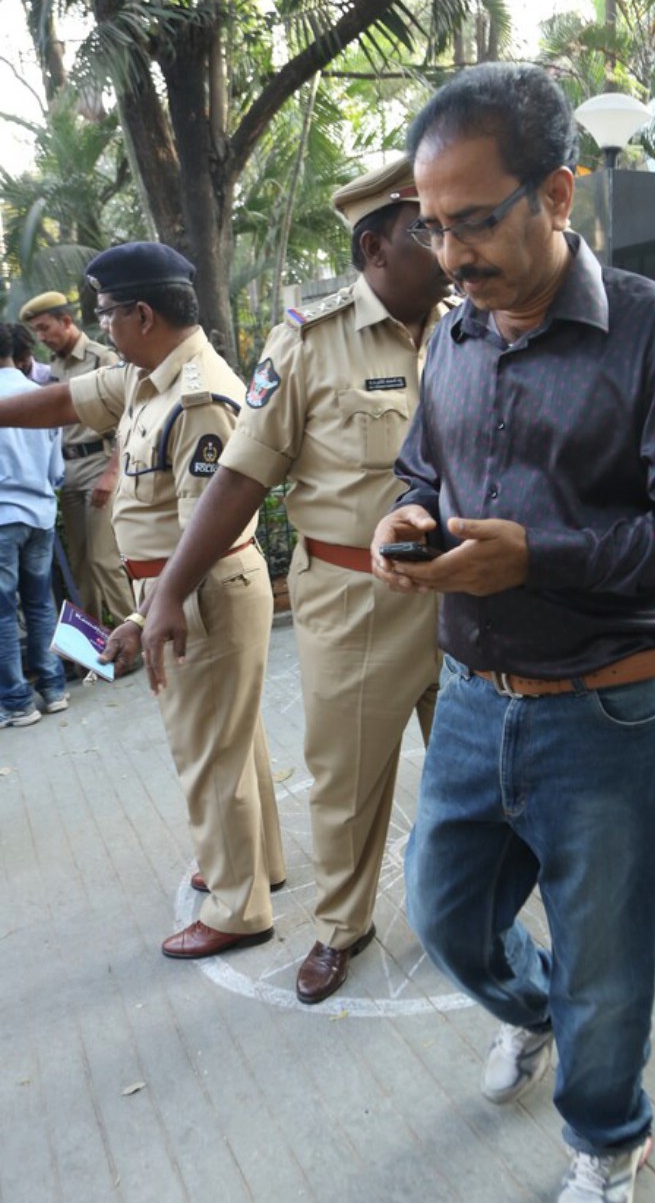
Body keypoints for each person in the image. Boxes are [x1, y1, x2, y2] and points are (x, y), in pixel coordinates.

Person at [371, 63, 655, 1203]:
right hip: (475, 698)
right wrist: (406, 520)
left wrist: (537, 556)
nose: (451, 254)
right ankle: (539, 1016)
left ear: (557, 194)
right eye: (433, 228)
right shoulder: (457, 339)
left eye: (474, 220)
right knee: (444, 912)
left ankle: (607, 1129)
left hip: (607, 708)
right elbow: (423, 472)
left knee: (607, 955)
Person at [141, 158, 453, 1003]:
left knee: (477, 771)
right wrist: (170, 588)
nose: (447, 242)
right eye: (425, 228)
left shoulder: (474, 324)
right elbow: (242, 475)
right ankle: (343, 927)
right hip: (357, 598)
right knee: (347, 781)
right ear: (373, 246)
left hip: (467, 593)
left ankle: (463, 909)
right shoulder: (311, 339)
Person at [0, 244, 285, 954]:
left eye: (107, 314)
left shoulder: (200, 393)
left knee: (208, 755)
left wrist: (143, 612)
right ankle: (256, 867)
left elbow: (209, 526)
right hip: (181, 586)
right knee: (234, 743)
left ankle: (235, 908)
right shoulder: (146, 377)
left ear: (143, 314)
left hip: (198, 588)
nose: (105, 327)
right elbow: (65, 399)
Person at [19, 291, 134, 625]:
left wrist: (112, 475)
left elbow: (130, 419)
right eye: (36, 331)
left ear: (66, 321)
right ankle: (93, 649)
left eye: (45, 328)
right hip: (68, 470)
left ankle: (135, 638)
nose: (41, 337)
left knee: (104, 559)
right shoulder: (52, 367)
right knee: (81, 565)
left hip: (100, 463)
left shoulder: (102, 358)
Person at [0, 322, 68, 727]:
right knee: (41, 603)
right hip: (40, 513)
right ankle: (54, 688)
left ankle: (16, 701)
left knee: (4, 613)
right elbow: (56, 470)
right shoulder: (40, 396)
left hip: (3, 517)